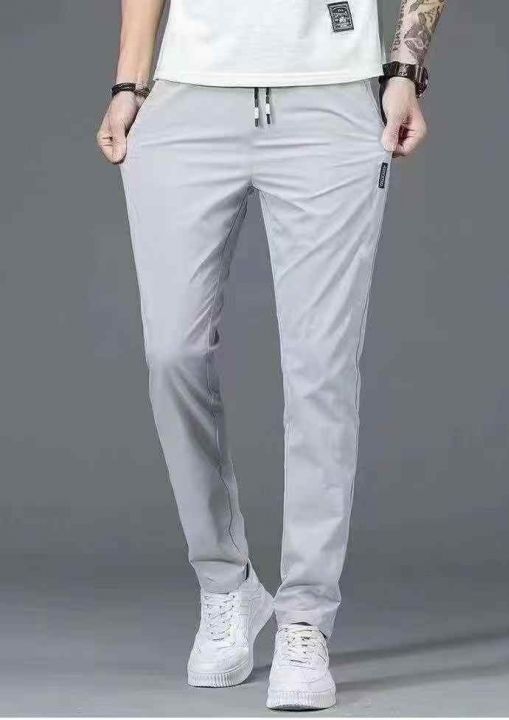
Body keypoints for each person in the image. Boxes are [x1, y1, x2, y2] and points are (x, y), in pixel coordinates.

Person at [97, 0, 445, 710]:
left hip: (331, 100)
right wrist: (129, 84)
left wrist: (405, 70)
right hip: (188, 99)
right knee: (172, 354)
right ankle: (226, 584)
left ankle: (305, 619)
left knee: (321, 369)